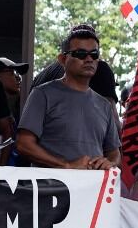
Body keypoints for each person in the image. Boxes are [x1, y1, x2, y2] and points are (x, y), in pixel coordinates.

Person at [16, 24, 120, 170]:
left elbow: (114, 152)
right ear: (63, 59)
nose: (89, 59)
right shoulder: (42, 94)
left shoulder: (104, 105)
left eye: (94, 54)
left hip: (94, 189)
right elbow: (23, 144)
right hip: (51, 188)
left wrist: (110, 162)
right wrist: (66, 165)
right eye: (81, 54)